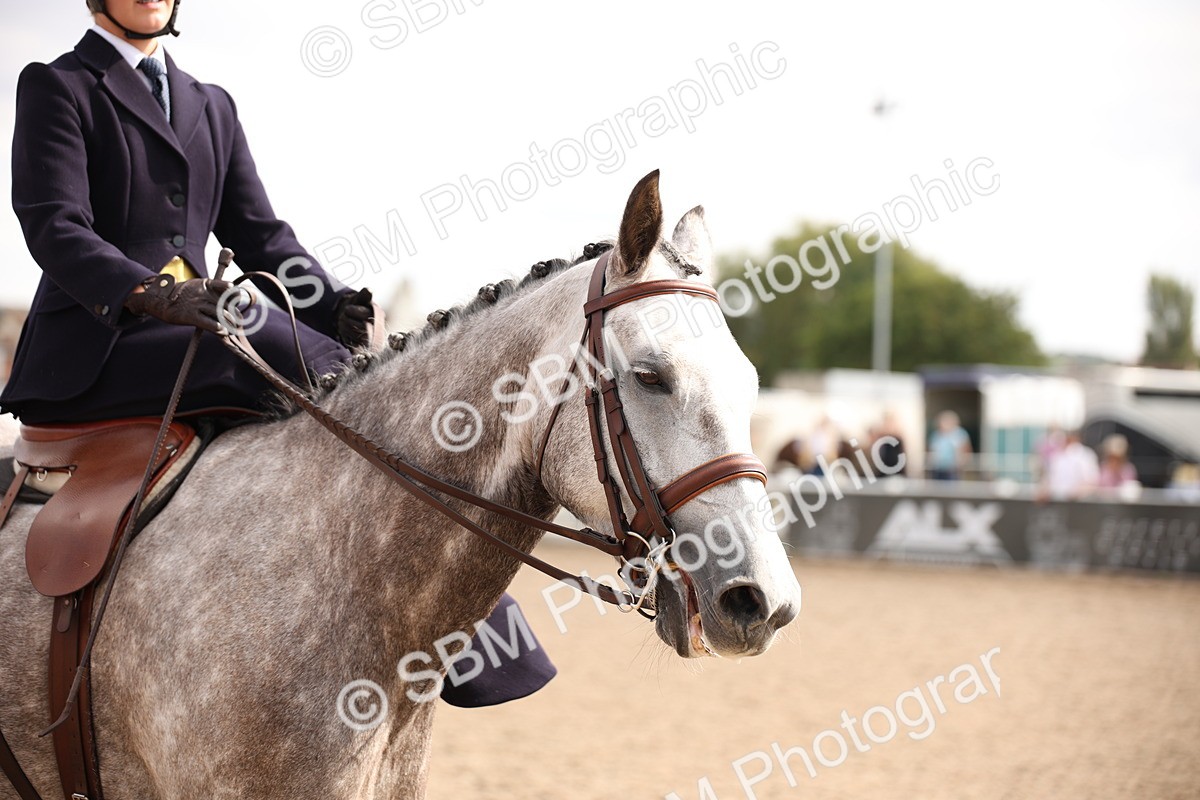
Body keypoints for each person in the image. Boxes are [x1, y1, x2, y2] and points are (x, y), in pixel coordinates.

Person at [0, 0, 552, 707]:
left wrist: (331, 302)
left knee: (340, 369)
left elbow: (260, 234)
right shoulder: (59, 84)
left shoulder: (211, 103)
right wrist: (152, 294)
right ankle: (482, 630)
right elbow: (55, 226)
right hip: (102, 340)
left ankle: (459, 605)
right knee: (273, 354)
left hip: (197, 323)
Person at [927, 410, 971, 481]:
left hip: (953, 469)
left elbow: (966, 450)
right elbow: (931, 450)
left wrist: (962, 462)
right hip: (938, 467)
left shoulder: (960, 434)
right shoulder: (936, 435)